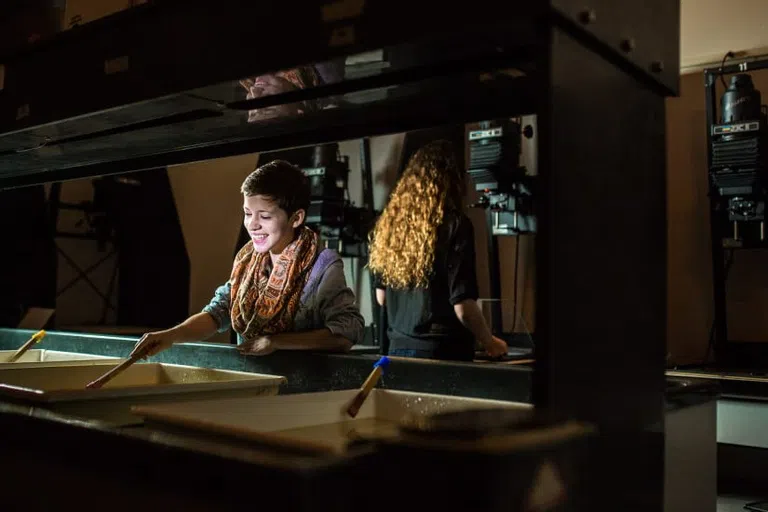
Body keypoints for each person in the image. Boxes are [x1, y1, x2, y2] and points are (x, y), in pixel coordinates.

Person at [131, 160, 364, 358]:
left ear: (296, 218)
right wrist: (170, 336)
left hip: (302, 390)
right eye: (247, 213)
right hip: (255, 381)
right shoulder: (248, 261)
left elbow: (346, 333)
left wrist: (276, 342)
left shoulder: (322, 265)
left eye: (264, 216)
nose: (252, 225)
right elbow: (218, 313)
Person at [368, 140, 508, 361]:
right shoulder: (455, 225)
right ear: (451, 181)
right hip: (441, 352)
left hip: (396, 350)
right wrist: (490, 342)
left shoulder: (388, 226)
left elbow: (381, 297)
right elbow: (463, 306)